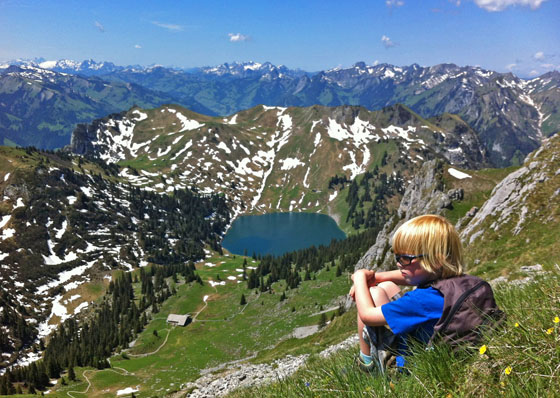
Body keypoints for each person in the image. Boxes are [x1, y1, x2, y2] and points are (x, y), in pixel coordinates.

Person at [349, 214, 464, 371]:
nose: (398, 263)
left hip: (407, 368)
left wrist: (359, 279)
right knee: (387, 286)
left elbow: (367, 315)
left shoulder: (422, 301)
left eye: (405, 259)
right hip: (428, 344)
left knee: (374, 294)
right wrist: (377, 277)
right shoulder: (453, 281)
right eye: (396, 256)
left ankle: (367, 363)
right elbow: (412, 276)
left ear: (436, 261)